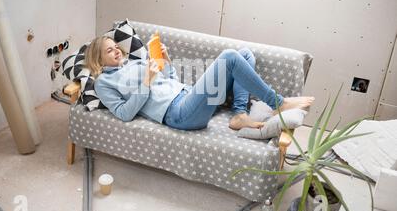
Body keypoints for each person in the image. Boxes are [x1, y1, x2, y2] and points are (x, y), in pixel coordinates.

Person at [85, 36, 314, 131]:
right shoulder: (104, 82)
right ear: (98, 58)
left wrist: (166, 61)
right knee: (229, 57)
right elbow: (124, 114)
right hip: (179, 114)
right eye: (109, 50)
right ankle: (278, 103)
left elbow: (170, 81)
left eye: (116, 46)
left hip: (189, 97)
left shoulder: (132, 63)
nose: (116, 50)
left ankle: (239, 115)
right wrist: (146, 80)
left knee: (244, 54)